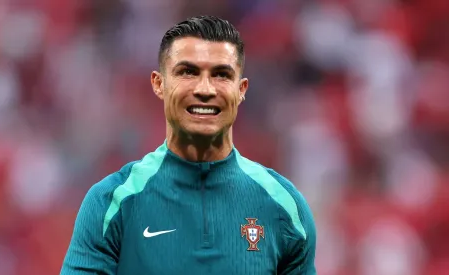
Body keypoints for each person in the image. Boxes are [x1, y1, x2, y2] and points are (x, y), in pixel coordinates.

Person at [60, 15, 317, 274]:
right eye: (187, 72)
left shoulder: (285, 206)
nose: (205, 89)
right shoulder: (111, 203)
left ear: (241, 90)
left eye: (221, 74)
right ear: (159, 84)